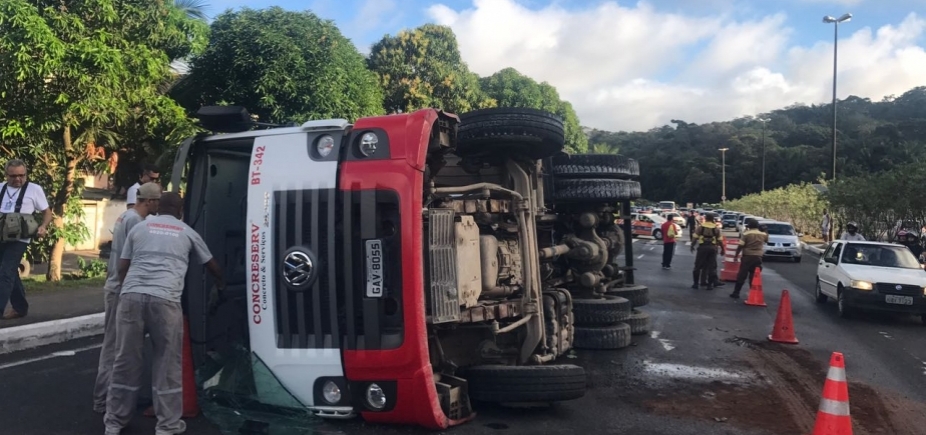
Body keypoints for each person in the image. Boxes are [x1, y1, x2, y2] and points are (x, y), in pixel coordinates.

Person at [104, 192, 225, 435]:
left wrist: (127, 290)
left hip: (132, 298)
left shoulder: (140, 228)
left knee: (125, 361)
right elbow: (211, 264)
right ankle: (167, 426)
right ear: (181, 211)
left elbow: (123, 265)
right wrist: (221, 285)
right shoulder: (187, 232)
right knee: (167, 363)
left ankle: (115, 423)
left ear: (158, 208)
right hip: (165, 301)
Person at [93, 182, 161, 414]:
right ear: (150, 201)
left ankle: (111, 397)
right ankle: (104, 399)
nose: (158, 206)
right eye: (157, 201)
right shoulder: (136, 222)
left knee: (118, 345)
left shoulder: (125, 216)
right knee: (116, 347)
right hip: (121, 288)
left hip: (115, 285)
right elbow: (130, 260)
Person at [0, 159, 53, 320]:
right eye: (13, 176)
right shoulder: (1, 187)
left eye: (22, 175)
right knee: (9, 272)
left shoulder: (34, 189)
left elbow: (47, 212)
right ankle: (20, 307)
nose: (18, 179)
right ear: (6, 175)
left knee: (5, 272)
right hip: (2, 235)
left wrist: (43, 226)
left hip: (20, 238)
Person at [729, 218, 768, 299]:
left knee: (742, 275)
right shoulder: (763, 234)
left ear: (749, 226)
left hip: (747, 256)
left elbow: (741, 245)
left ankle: (736, 293)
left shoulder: (746, 234)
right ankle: (753, 293)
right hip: (758, 257)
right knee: (754, 276)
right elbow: (767, 240)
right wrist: (765, 230)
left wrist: (736, 255)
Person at [691, 213, 724, 290]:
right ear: (713, 219)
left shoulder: (701, 227)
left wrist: (692, 246)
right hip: (712, 248)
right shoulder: (716, 228)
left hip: (702, 248)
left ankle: (695, 284)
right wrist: (723, 249)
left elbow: (695, 237)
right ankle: (710, 285)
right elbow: (720, 240)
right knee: (712, 267)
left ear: (705, 218)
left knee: (698, 266)